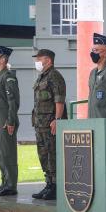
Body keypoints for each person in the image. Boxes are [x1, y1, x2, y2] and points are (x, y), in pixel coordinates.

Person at [31, 49, 66, 201]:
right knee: (43, 155)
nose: (36, 61)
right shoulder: (41, 77)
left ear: (48, 60)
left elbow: (59, 100)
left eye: (39, 58)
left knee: (53, 155)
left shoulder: (55, 76)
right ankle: (49, 184)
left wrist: (57, 120)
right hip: (40, 124)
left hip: (51, 124)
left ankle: (56, 186)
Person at [0, 44, 20, 196]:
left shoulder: (8, 77)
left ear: (3, 59)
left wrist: (11, 121)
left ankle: (11, 185)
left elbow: (13, 101)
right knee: (0, 154)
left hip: (5, 122)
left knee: (8, 154)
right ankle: (4, 183)